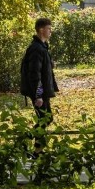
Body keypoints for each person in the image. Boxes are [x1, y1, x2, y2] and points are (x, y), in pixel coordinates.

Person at [20, 17, 59, 157]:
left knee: (46, 119)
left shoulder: (42, 46)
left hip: (43, 92)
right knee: (44, 119)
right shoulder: (37, 49)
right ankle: (27, 145)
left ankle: (37, 150)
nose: (50, 32)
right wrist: (38, 95)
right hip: (39, 92)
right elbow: (34, 75)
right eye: (49, 29)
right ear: (41, 30)